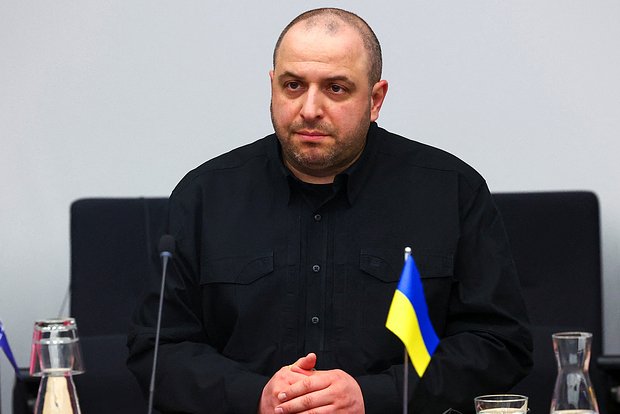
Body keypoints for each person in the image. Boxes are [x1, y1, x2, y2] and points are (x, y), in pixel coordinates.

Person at [127, 7, 533, 414]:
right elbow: (157, 348)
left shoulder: (450, 191)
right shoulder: (205, 194)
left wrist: (375, 396)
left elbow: (500, 344)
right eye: (293, 85)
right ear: (272, 86)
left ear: (375, 99)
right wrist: (255, 396)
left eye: (336, 88)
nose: (309, 109)